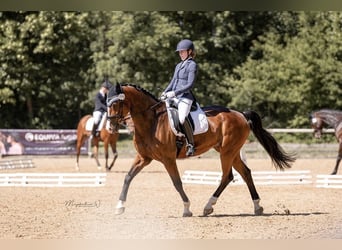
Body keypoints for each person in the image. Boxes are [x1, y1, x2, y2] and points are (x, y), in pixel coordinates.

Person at [161, 39, 198, 156]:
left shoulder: (192, 65)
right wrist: (165, 91)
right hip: (174, 96)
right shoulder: (178, 65)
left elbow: (190, 84)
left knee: (182, 118)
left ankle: (191, 144)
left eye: (182, 52)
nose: (180, 54)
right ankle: (175, 139)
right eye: (179, 52)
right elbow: (173, 81)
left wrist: (175, 93)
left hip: (185, 97)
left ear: (189, 51)